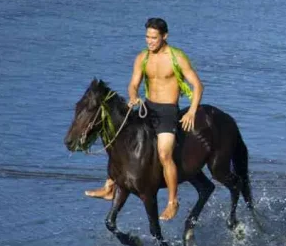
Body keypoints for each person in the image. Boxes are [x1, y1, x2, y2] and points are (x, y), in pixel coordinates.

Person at [85, 18, 203, 221]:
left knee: (165, 154)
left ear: (164, 36)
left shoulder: (177, 57)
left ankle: (173, 202)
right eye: (147, 37)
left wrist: (192, 111)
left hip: (168, 112)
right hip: (147, 108)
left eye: (154, 38)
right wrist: (133, 97)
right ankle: (109, 187)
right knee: (119, 140)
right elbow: (133, 84)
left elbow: (198, 85)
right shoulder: (142, 58)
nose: (150, 41)